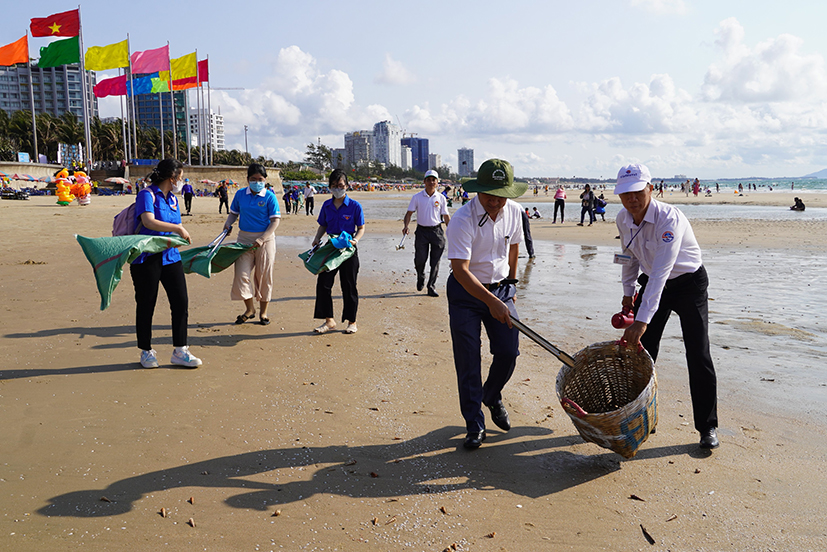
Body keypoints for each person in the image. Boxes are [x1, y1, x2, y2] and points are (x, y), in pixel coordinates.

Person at [613, 163, 719, 449]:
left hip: (688, 283)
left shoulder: (668, 218)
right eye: (625, 194)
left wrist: (641, 319)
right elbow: (627, 257)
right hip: (651, 282)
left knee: (698, 353)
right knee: (642, 353)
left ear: (650, 189)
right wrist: (627, 294)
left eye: (637, 192)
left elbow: (662, 271)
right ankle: (641, 417)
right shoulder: (622, 219)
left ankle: (707, 426)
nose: (632, 199)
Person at [445, 159, 525, 450]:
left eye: (501, 194)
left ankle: (491, 395)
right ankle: (474, 424)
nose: (495, 201)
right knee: (468, 360)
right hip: (466, 294)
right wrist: (490, 301)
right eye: (489, 193)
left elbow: (514, 245)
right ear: (478, 190)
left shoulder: (513, 211)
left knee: (508, 351)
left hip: (501, 289)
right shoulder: (462, 219)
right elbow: (460, 270)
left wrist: (512, 286)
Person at [129, 158, 202, 369]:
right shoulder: (147, 194)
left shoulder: (173, 200)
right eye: (180, 177)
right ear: (172, 178)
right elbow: (148, 221)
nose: (181, 180)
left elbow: (173, 223)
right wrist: (178, 229)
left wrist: (178, 235)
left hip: (171, 257)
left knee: (180, 302)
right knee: (146, 304)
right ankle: (146, 351)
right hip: (146, 258)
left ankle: (180, 350)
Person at [222, 163, 281, 326]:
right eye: (253, 179)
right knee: (242, 275)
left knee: (263, 276)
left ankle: (263, 312)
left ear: (265, 180)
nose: (257, 182)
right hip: (244, 240)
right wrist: (228, 224)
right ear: (248, 180)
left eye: (260, 179)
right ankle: (250, 309)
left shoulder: (269, 196)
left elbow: (275, 221)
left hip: (265, 240)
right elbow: (233, 213)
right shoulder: (241, 194)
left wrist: (262, 239)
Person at [311, 169, 366, 334]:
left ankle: (352, 322)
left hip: (348, 250)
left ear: (347, 186)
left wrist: (355, 240)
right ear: (329, 187)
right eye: (334, 186)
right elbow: (323, 225)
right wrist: (316, 238)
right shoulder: (326, 205)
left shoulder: (355, 206)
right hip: (331, 248)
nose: (337, 188)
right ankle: (329, 320)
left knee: (349, 285)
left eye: (340, 185)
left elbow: (361, 228)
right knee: (323, 284)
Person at [402, 169, 451, 297]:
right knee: (420, 259)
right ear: (424, 182)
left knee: (435, 261)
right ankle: (420, 275)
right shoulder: (417, 197)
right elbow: (409, 214)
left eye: (433, 180)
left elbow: (446, 216)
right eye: (428, 180)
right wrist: (406, 226)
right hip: (422, 232)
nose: (431, 182)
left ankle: (431, 286)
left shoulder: (441, 198)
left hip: (437, 231)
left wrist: (451, 230)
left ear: (437, 182)